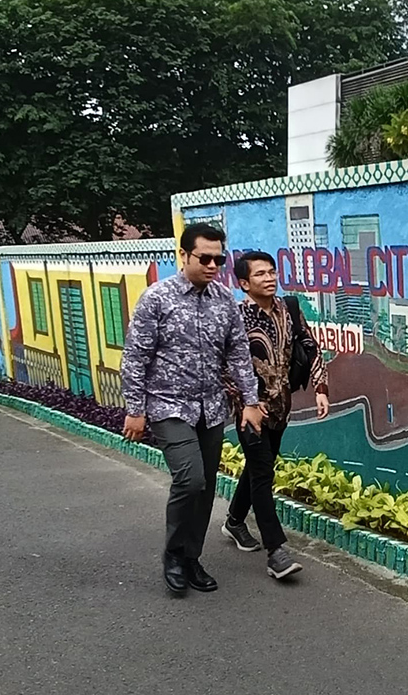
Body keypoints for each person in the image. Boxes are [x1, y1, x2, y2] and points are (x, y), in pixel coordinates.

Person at [121, 223, 264, 595]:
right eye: (205, 258)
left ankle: (191, 557)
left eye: (220, 258)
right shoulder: (157, 298)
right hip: (168, 406)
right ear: (183, 255)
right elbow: (136, 357)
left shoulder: (223, 300)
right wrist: (135, 409)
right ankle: (172, 553)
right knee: (191, 479)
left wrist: (250, 401)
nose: (214, 265)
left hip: (211, 407)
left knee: (206, 486)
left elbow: (238, 354)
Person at [221, 251, 330, 580]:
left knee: (260, 469)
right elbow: (223, 365)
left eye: (271, 272)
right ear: (243, 283)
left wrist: (321, 386)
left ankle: (234, 521)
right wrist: (247, 401)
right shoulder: (235, 318)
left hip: (281, 407)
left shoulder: (289, 308)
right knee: (263, 476)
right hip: (249, 412)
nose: (269, 278)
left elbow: (309, 346)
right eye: (260, 274)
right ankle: (276, 553)